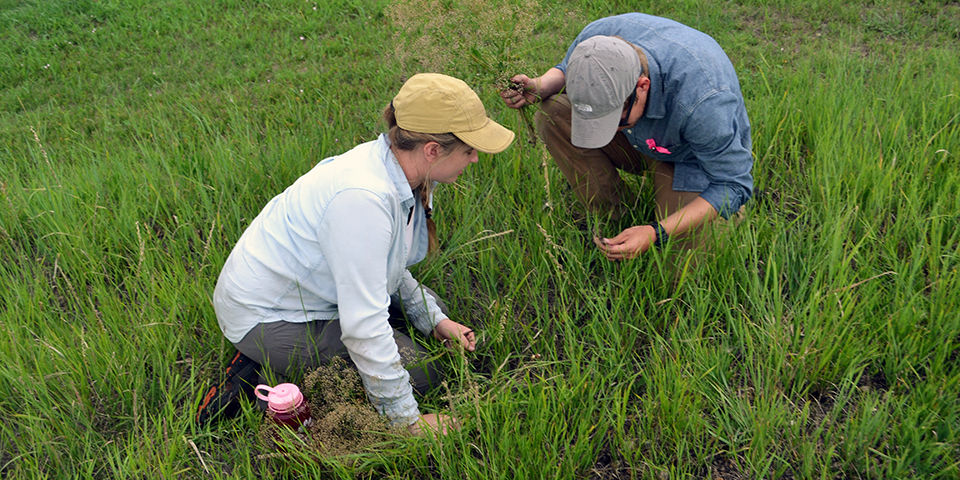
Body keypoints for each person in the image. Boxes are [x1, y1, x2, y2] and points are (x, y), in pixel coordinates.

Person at [202, 73, 515, 434]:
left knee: (427, 309)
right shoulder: (362, 200)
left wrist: (434, 320)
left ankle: (292, 360)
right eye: (469, 149)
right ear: (432, 150)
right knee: (424, 374)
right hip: (269, 315)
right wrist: (406, 422)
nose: (475, 159)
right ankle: (263, 372)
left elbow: (390, 268)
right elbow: (364, 325)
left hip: (315, 292)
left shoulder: (404, 171)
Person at [501, 13, 754, 261]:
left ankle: (715, 217)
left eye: (613, 120)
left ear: (642, 87)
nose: (605, 133)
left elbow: (732, 184)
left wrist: (655, 232)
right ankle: (614, 217)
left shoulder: (704, 102)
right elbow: (568, 70)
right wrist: (542, 85)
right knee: (553, 111)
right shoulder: (596, 40)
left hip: (689, 159)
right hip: (642, 140)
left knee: (682, 271)